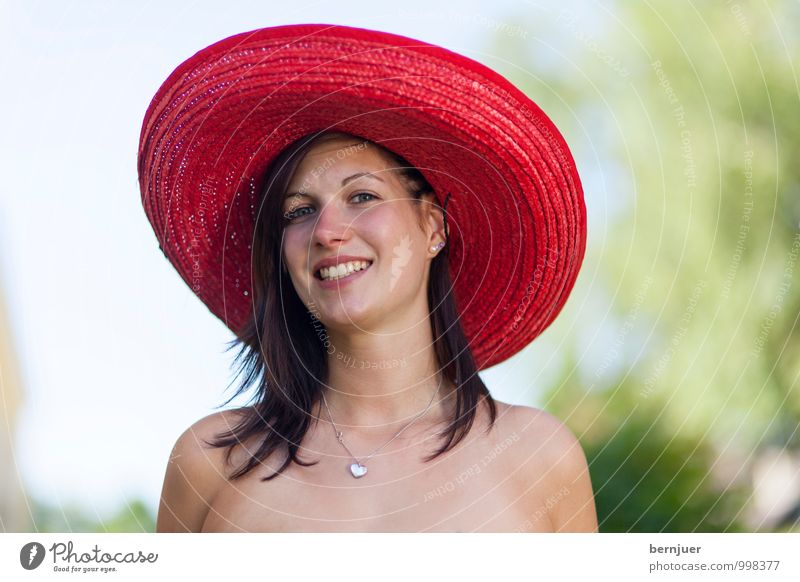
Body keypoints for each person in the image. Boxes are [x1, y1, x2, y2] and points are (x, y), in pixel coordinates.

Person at [138, 23, 597, 532]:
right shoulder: (208, 465)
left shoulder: (539, 457)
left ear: (432, 227)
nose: (328, 231)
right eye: (298, 211)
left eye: (362, 197)